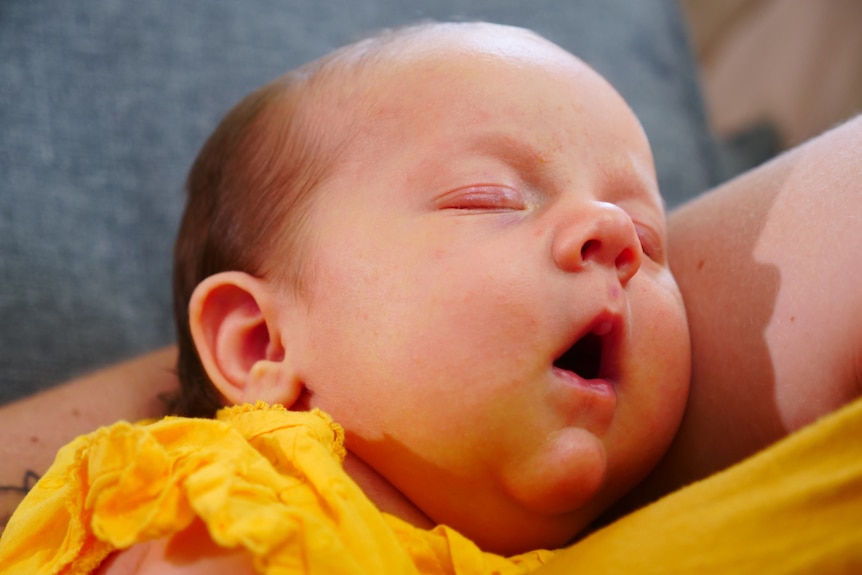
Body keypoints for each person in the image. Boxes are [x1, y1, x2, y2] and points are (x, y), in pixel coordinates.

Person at [0, 21, 693, 573]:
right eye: (489, 198)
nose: (611, 233)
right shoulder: (240, 509)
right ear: (261, 343)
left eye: (645, 234)